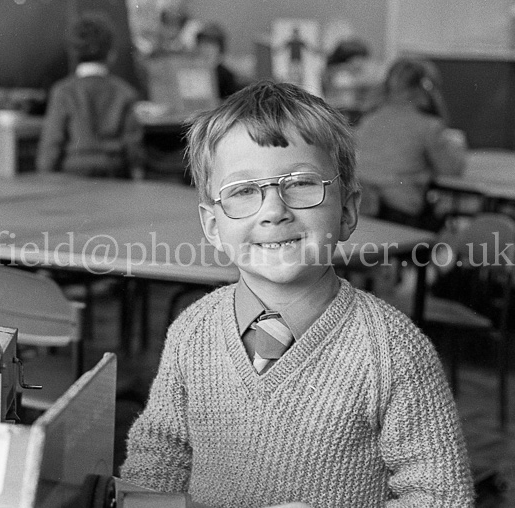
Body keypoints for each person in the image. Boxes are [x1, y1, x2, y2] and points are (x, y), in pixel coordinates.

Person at [120, 81, 473, 506]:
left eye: (302, 184)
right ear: (213, 226)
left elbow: (442, 496)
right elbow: (158, 456)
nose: (273, 211)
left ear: (347, 211)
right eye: (243, 191)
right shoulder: (191, 331)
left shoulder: (394, 352)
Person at [355, 57, 467, 231]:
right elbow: (451, 171)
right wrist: (457, 144)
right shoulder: (428, 126)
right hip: (402, 214)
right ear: (426, 88)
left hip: (364, 210)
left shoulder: (369, 120)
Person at [36, 12, 143, 178]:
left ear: (74, 52)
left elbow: (51, 146)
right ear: (111, 54)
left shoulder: (63, 92)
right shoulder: (124, 92)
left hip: (72, 177)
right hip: (114, 175)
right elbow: (133, 148)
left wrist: (44, 173)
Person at [195, 23, 245, 100]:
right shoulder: (193, 70)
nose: (205, 49)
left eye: (211, 45)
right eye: (202, 44)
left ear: (219, 48)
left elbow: (231, 101)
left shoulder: (225, 74)